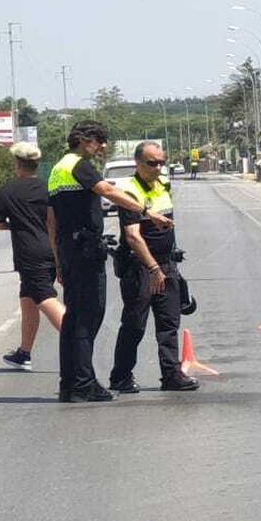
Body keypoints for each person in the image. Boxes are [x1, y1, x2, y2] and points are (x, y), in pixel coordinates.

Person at [46, 120, 173, 403]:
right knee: (87, 317)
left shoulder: (57, 169)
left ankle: (70, 384)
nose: (103, 145)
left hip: (69, 249)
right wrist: (146, 211)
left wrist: (58, 260)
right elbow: (108, 191)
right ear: (84, 140)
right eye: (99, 140)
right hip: (85, 250)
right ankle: (83, 384)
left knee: (73, 319)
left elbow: (51, 221)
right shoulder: (79, 165)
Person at [109, 141, 199, 393]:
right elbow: (133, 236)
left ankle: (171, 375)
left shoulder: (162, 185)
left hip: (166, 263)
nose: (158, 167)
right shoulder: (129, 190)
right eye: (152, 163)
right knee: (135, 324)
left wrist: (170, 265)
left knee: (169, 322)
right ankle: (121, 377)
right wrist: (153, 269)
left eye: (162, 162)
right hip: (141, 267)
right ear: (138, 163)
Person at [0, 142, 65, 371]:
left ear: (17, 164)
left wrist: (14, 226)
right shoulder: (48, 188)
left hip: (29, 254)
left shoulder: (9, 190)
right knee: (28, 301)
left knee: (44, 297)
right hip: (52, 250)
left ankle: (79, 341)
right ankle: (24, 353)